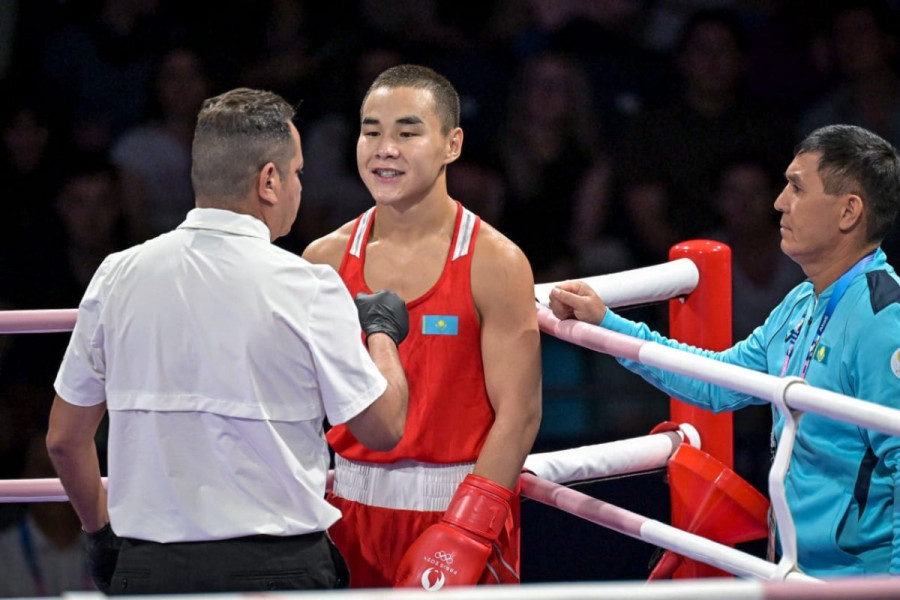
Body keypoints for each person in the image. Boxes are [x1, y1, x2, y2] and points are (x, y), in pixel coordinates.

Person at [45, 87, 411, 594]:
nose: (300, 188)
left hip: (150, 569)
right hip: (281, 569)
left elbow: (64, 439)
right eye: (298, 173)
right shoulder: (306, 285)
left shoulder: (116, 275)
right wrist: (382, 334)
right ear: (268, 181)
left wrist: (100, 534)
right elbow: (383, 426)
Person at [550, 124, 900, 577]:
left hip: (860, 582)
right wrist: (608, 326)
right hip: (795, 570)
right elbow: (718, 381)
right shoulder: (802, 302)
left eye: (796, 186)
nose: (778, 202)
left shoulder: (883, 321)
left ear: (848, 211)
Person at [302, 64, 542, 589]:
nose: (385, 148)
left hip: (462, 505)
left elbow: (520, 413)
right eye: (371, 131)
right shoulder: (325, 259)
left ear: (451, 144)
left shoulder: (494, 260)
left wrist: (467, 529)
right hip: (347, 511)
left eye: (407, 132)